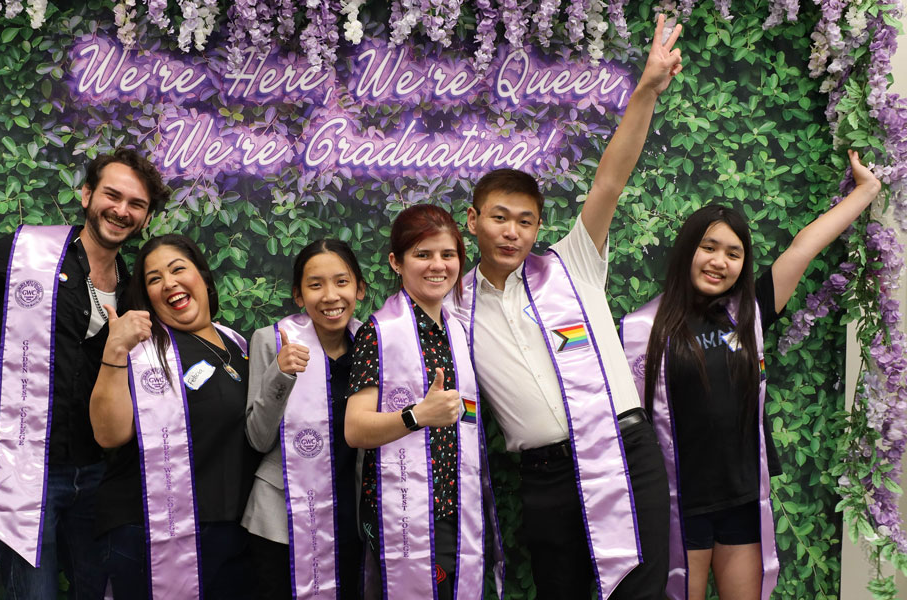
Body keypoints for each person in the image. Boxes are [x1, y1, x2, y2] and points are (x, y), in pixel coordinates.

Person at [447, 14, 683, 599]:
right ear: (473, 222)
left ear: (538, 229)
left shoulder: (570, 264)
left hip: (622, 455)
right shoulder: (453, 302)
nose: (512, 232)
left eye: (525, 221)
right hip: (544, 478)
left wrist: (646, 88)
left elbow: (609, 180)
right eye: (499, 218)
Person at [619, 151, 881, 600]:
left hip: (741, 498)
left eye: (734, 253)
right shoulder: (646, 329)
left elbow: (803, 246)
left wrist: (867, 190)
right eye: (709, 247)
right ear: (687, 251)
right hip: (681, 506)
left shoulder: (750, 313)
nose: (720, 261)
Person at [0, 149, 168, 599]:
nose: (122, 210)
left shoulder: (134, 290)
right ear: (87, 194)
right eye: (112, 195)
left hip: (92, 470)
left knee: (96, 591)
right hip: (20, 460)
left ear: (145, 219)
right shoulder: (28, 250)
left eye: (137, 204)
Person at [345, 204, 502, 600]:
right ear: (396, 262)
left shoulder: (459, 332)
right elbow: (355, 429)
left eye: (448, 255)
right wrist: (418, 415)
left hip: (456, 511)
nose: (438, 266)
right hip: (404, 519)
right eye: (423, 254)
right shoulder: (379, 334)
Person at [90, 234, 260, 599]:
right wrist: (116, 349)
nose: (169, 283)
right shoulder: (142, 349)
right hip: (148, 531)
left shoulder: (240, 345)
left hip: (232, 532)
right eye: (154, 279)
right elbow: (109, 435)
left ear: (202, 276)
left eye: (177, 269)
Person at [242, 239, 367, 599]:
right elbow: (257, 439)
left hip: (349, 514)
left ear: (358, 288)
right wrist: (280, 375)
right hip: (284, 520)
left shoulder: (372, 345)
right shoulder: (272, 341)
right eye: (316, 285)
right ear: (298, 295)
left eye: (342, 282)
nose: (330, 296)